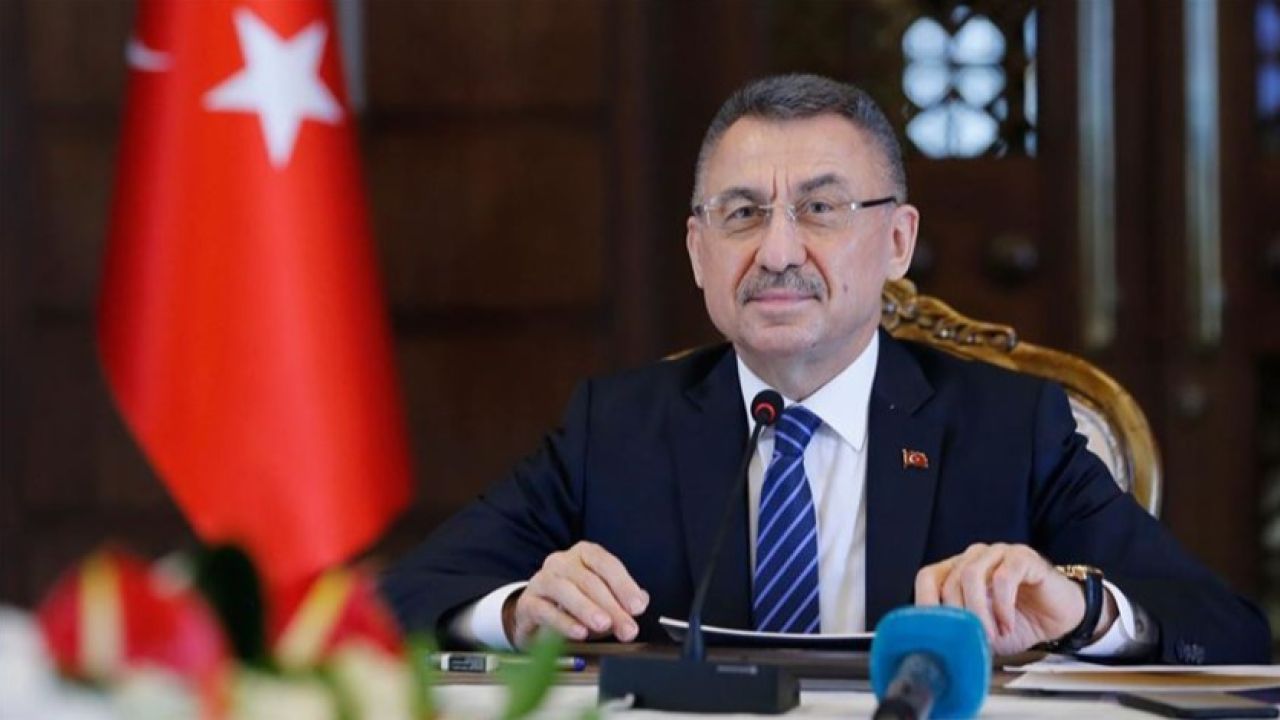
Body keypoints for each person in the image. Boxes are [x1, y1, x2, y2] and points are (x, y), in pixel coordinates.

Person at [382, 74, 1270, 664]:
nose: (776, 252)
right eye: (741, 213)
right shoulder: (615, 428)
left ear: (897, 241)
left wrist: (1080, 609)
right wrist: (516, 611)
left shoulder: (1012, 428)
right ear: (696, 251)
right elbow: (399, 601)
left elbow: (1227, 632)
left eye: (820, 209)